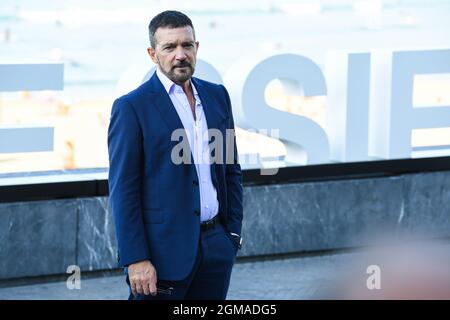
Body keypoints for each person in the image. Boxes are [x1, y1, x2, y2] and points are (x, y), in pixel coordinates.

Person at [108, 10, 243, 300]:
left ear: (197, 48)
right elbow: (124, 190)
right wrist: (136, 259)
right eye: (169, 47)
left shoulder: (218, 96)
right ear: (152, 54)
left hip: (216, 249)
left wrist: (232, 236)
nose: (180, 54)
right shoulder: (132, 107)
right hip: (160, 257)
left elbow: (230, 168)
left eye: (187, 45)